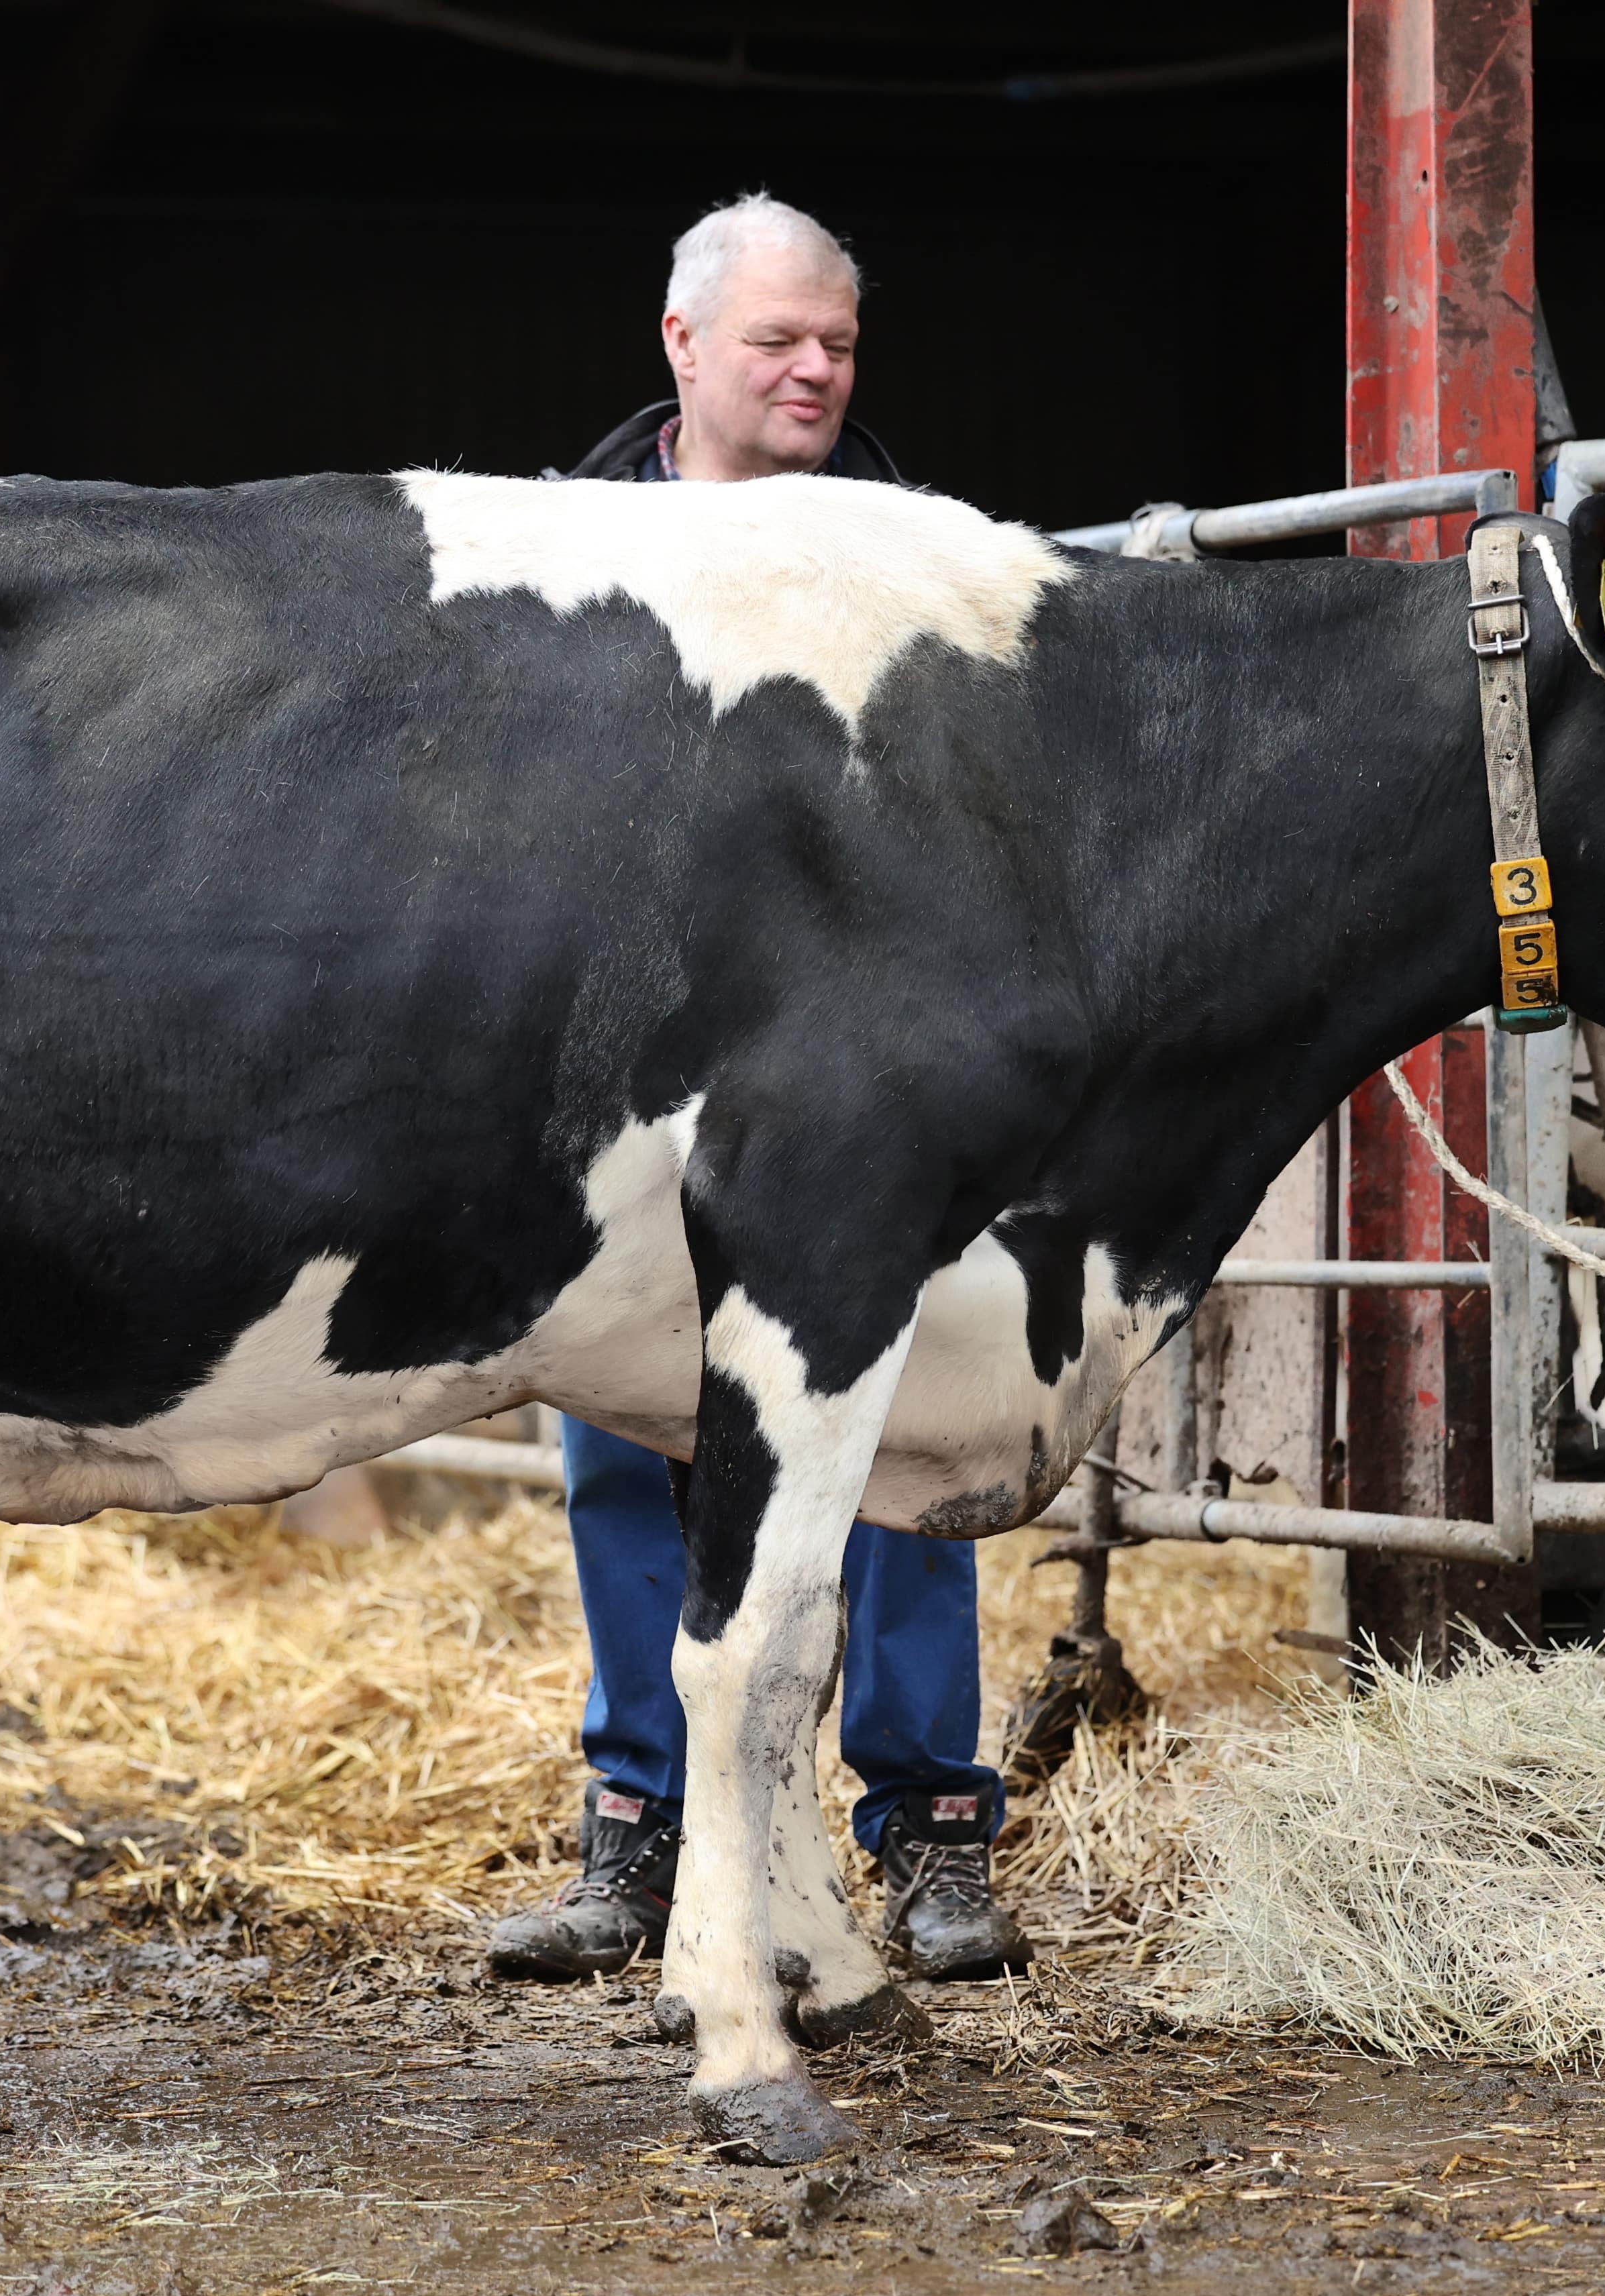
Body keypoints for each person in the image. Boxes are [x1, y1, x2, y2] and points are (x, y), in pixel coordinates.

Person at [488, 193, 1032, 1988]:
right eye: (778, 341)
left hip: (854, 1075)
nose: (814, 371)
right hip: (623, 1077)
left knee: (888, 1440)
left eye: (839, 345)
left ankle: (931, 1840)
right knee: (625, 1446)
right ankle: (636, 1840)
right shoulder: (557, 551)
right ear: (683, 349)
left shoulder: (918, 560)